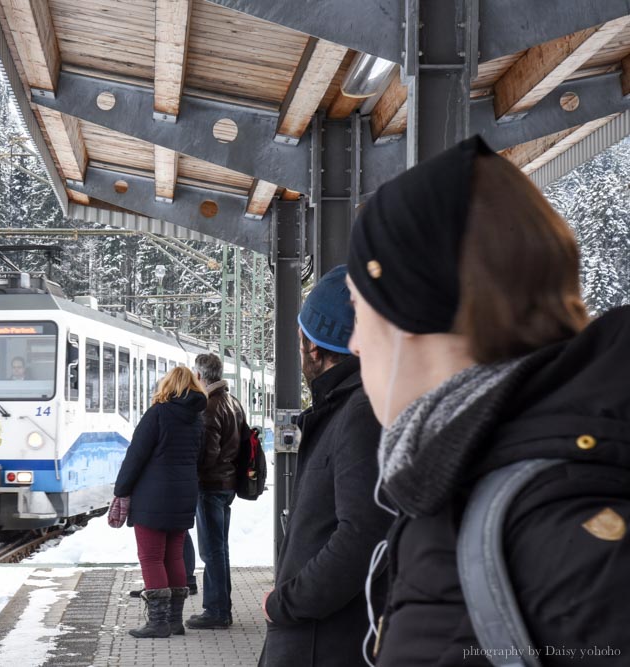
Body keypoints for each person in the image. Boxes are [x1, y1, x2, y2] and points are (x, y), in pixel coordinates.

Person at [346, 135, 630, 665]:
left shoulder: (552, 523)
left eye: (358, 311)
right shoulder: (475, 480)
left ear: (405, 312)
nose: (354, 343)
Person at [258, 265, 393, 667]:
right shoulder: (348, 407)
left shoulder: (361, 413)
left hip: (323, 644)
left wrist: (284, 603)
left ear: (312, 346)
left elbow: (363, 535)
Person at [113, 366, 208, 639]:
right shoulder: (196, 419)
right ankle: (174, 621)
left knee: (151, 557)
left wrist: (122, 490)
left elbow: (136, 455)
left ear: (167, 386)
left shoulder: (158, 414)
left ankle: (158, 623)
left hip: (153, 497)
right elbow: (199, 458)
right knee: (174, 555)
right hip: (184, 494)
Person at [185, 353, 241, 630]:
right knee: (221, 548)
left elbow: (208, 452)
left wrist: (193, 475)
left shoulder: (210, 407)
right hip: (227, 484)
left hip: (210, 486)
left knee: (212, 551)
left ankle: (217, 611)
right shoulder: (233, 402)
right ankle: (221, 607)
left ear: (200, 376)